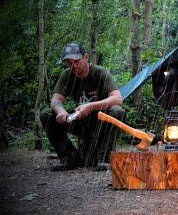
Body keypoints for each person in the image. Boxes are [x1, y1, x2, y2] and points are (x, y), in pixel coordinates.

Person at [40, 43, 124, 171]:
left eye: (76, 61)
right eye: (69, 63)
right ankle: (69, 158)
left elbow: (117, 99)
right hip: (78, 120)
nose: (73, 66)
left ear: (85, 57)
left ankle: (104, 159)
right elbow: (55, 100)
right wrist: (61, 111)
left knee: (117, 111)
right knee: (46, 114)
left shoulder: (100, 73)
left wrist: (91, 106)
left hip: (99, 121)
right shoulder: (67, 75)